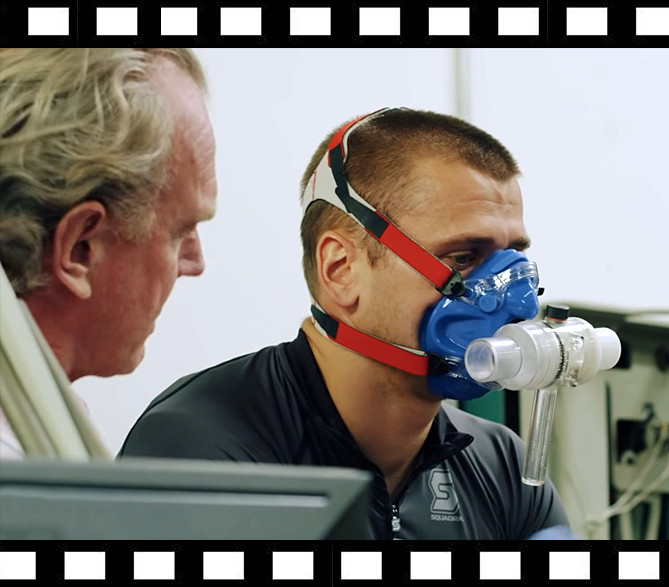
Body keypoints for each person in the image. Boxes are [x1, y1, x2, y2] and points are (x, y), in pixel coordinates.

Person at [119, 107, 570, 539]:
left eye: (514, 258)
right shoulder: (202, 449)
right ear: (340, 269)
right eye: (464, 258)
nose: (518, 301)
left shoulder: (503, 467)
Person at [0, 48, 218, 458]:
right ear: (80, 249)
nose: (195, 262)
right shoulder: (16, 475)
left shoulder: (41, 429)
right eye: (179, 233)